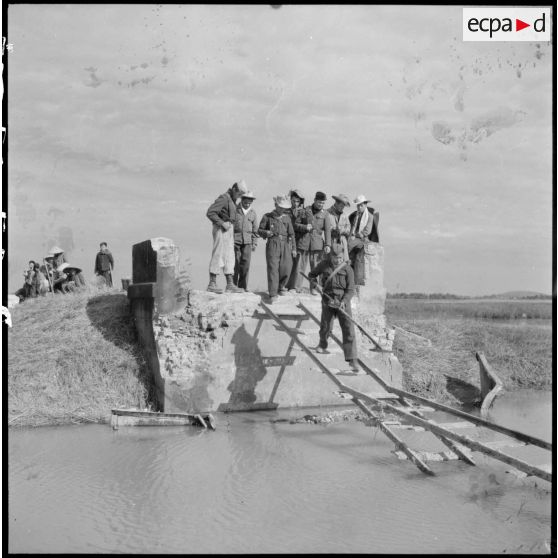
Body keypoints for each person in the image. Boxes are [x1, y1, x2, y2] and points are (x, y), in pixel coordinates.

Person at [309, 246, 361, 374]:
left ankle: (352, 359)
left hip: (343, 302)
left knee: (348, 328)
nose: (337, 260)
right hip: (328, 299)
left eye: (339, 258)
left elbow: (350, 289)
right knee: (326, 325)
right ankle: (322, 344)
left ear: (343, 256)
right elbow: (311, 275)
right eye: (334, 257)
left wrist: (344, 301)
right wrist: (315, 285)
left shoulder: (348, 269)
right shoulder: (323, 265)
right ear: (330, 256)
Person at [206, 180, 248, 294]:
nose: (239, 197)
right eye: (239, 194)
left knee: (229, 255)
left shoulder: (233, 200)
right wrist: (221, 223)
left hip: (229, 229)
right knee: (218, 254)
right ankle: (212, 283)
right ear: (234, 190)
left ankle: (230, 284)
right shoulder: (224, 198)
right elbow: (210, 212)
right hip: (220, 228)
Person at [258, 195, 297, 303]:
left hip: (285, 244)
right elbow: (259, 230)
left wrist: (294, 248)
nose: (282, 209)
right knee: (273, 268)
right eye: (280, 207)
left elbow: (292, 234)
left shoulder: (287, 218)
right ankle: (273, 293)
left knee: (287, 266)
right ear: (275, 205)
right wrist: (266, 232)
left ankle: (281, 286)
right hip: (273, 243)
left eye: (284, 207)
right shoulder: (267, 216)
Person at [292, 191, 331, 295]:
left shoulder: (326, 214)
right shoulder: (305, 210)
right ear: (314, 200)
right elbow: (296, 224)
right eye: (319, 202)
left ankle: (313, 288)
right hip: (304, 242)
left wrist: (328, 245)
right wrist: (305, 227)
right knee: (300, 266)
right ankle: (297, 287)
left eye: (323, 203)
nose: (321, 205)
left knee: (316, 268)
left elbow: (327, 230)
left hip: (317, 244)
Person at [347, 195, 380, 286]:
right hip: (354, 237)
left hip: (362, 238)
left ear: (365, 205)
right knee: (348, 246)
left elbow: (367, 231)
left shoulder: (369, 216)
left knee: (348, 245)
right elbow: (352, 227)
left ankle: (346, 261)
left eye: (361, 205)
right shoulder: (355, 215)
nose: (359, 207)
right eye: (358, 205)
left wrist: (356, 235)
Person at [233, 191, 259, 292]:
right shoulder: (235, 210)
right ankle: (233, 286)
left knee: (245, 265)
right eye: (246, 202)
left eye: (250, 202)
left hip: (248, 242)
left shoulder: (253, 213)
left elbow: (255, 229)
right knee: (235, 264)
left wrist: (254, 243)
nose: (247, 204)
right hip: (235, 241)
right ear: (242, 200)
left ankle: (242, 287)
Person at [285, 189, 307, 291]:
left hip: (300, 239)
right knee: (287, 262)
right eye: (294, 200)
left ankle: (296, 286)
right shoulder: (286, 211)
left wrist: (297, 226)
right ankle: (286, 285)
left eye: (298, 201)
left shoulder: (304, 212)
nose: (295, 203)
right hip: (288, 239)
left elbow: (308, 226)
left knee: (298, 264)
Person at [326, 194, 352, 262]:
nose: (343, 207)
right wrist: (333, 229)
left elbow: (349, 228)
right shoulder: (327, 213)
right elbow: (324, 228)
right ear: (336, 202)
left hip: (342, 242)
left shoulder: (345, 215)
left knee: (344, 263)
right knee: (330, 263)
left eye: (344, 206)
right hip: (331, 241)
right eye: (341, 205)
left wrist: (341, 230)